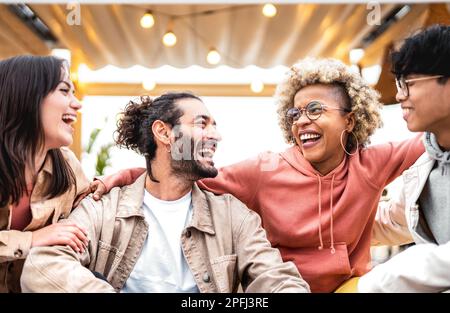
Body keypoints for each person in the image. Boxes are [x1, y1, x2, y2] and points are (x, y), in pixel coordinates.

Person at [94, 58, 425, 292]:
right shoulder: (265, 170)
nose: (301, 121)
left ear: (350, 121)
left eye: (315, 110)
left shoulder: (371, 164)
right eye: (295, 113)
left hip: (348, 288)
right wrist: (126, 176)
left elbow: (433, 137)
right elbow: (182, 175)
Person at [20, 92, 310, 293]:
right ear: (164, 133)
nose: (216, 136)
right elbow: (42, 265)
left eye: (215, 126)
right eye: (202, 124)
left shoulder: (234, 217)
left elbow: (276, 277)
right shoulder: (103, 209)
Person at [358, 24, 450, 292]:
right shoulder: (427, 163)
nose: (399, 96)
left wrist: (373, 284)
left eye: (407, 83)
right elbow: (393, 221)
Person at [0, 55, 92, 293]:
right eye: (64, 91)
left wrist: (122, 177)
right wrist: (32, 240)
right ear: (27, 96)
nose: (77, 103)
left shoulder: (68, 165)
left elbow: (93, 205)